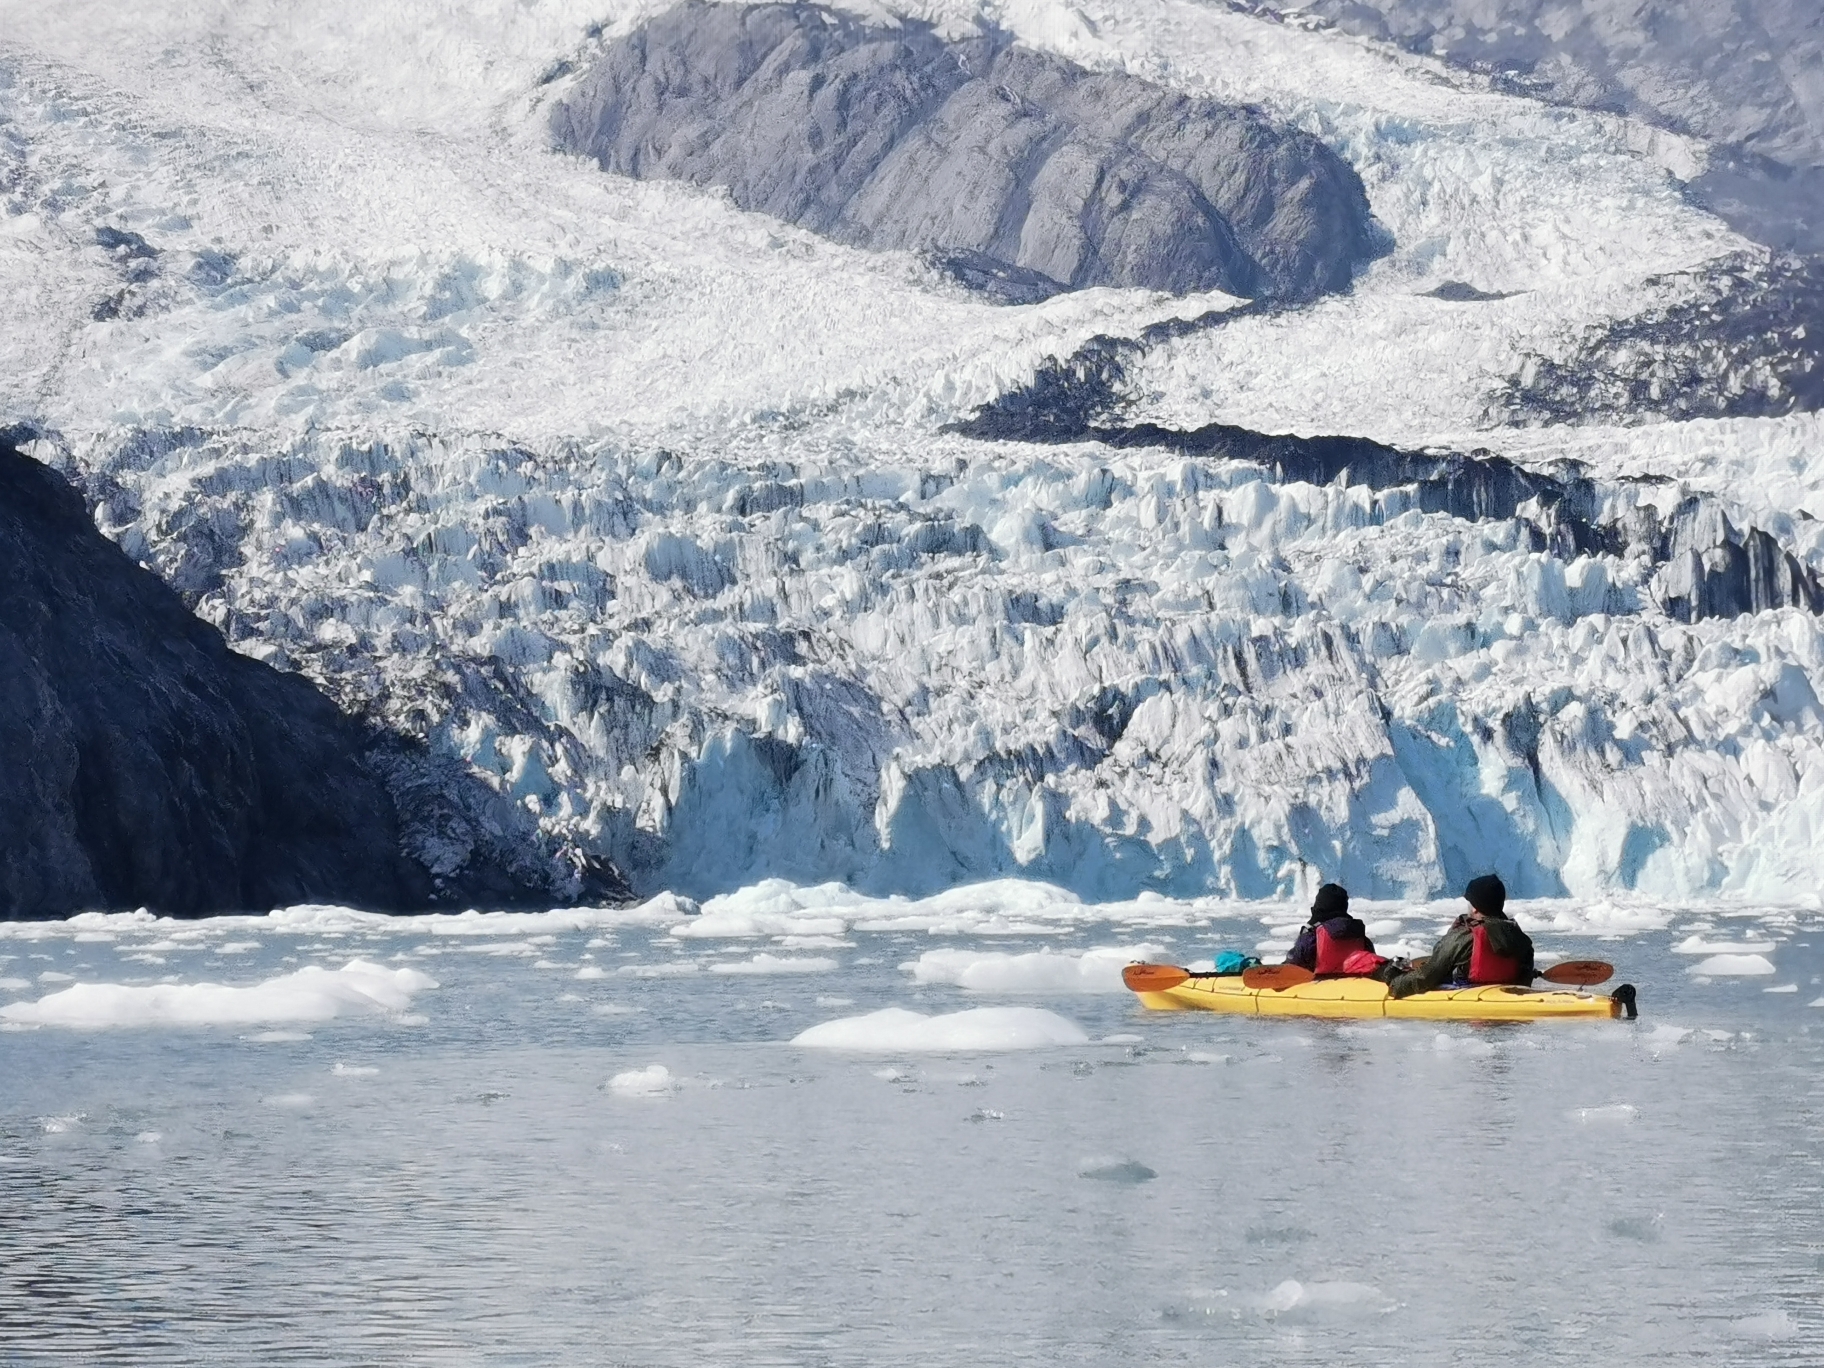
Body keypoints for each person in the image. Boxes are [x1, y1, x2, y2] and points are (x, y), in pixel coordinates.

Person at [1384, 874, 1535, 998]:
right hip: (1505, 997)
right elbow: (1525, 979)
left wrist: (1395, 984)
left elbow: (1426, 976)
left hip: (1465, 997)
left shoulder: (1463, 936)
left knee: (1393, 968)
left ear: (1475, 908)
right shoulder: (1519, 937)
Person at [1285, 883, 1377, 976]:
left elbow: (1292, 968)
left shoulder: (1311, 938)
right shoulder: (1361, 938)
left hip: (1319, 987)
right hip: (1355, 987)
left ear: (1319, 906)